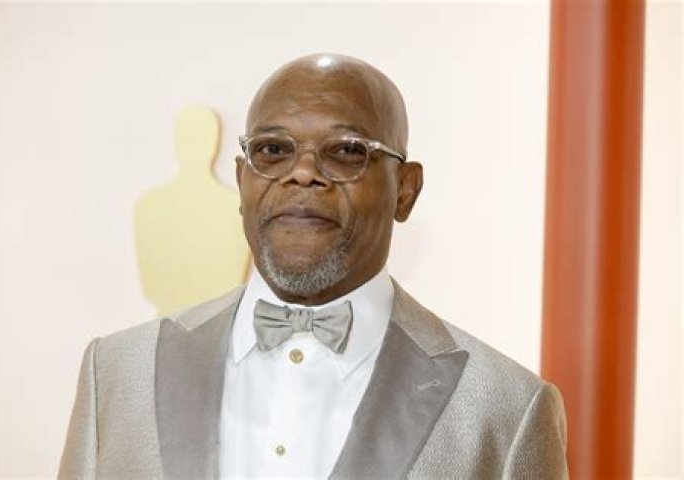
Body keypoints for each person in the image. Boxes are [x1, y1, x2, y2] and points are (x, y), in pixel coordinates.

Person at [59, 53, 567, 479]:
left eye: (346, 151)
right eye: (272, 150)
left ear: (405, 190)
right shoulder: (116, 372)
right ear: (242, 180)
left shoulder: (507, 410)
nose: (302, 172)